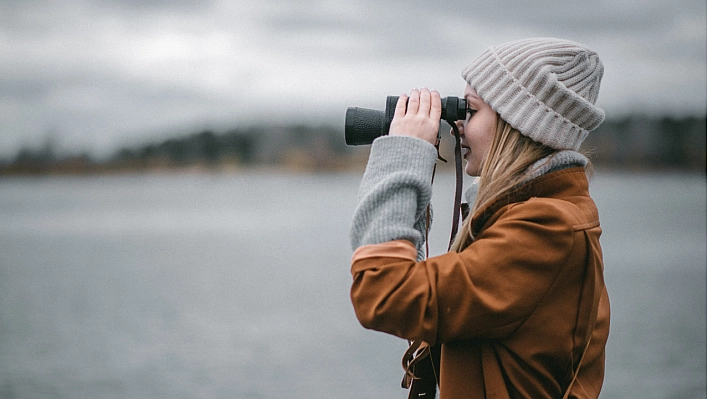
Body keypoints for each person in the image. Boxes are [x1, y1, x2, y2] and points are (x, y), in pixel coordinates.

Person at [349, 38, 611, 398]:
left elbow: (384, 293)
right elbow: (435, 303)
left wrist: (403, 155)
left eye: (470, 110)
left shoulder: (547, 229)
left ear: (516, 122)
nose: (455, 125)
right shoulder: (539, 214)